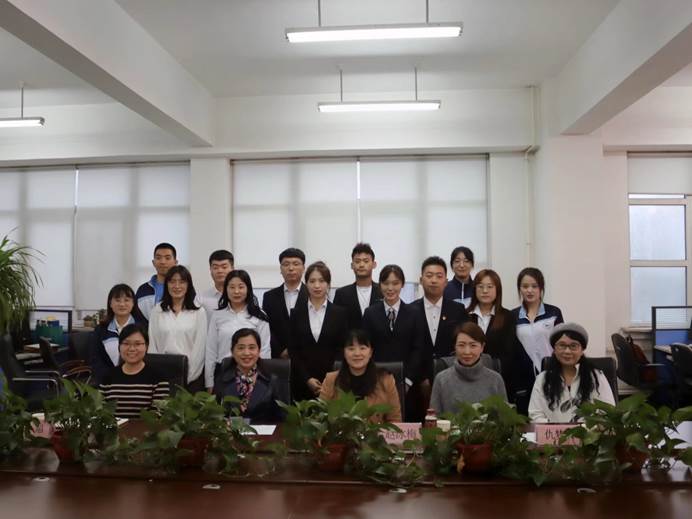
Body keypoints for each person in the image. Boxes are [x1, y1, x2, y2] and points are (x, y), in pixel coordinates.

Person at [362, 264, 425, 420]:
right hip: (377, 381)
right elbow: (366, 347)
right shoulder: (370, 313)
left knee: (405, 425)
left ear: (402, 284)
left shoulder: (414, 313)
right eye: (386, 283)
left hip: (407, 382)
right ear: (380, 285)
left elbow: (418, 349)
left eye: (395, 283)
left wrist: (408, 381)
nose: (390, 288)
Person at [410, 256, 469, 419]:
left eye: (439, 276)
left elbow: (462, 344)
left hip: (452, 380)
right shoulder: (409, 310)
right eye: (429, 276)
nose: (434, 280)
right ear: (421, 280)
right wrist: (420, 377)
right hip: (417, 384)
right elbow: (408, 348)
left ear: (446, 281)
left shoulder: (458, 310)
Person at [529, 323, 615, 423]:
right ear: (554, 349)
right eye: (562, 345)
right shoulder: (542, 379)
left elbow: (608, 411)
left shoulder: (596, 376)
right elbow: (535, 415)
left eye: (573, 346)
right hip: (553, 432)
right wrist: (554, 428)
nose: (567, 351)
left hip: (588, 432)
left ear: (582, 350)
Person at [288, 261, 349, 401]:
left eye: (321, 281)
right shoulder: (296, 313)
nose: (317, 286)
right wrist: (307, 379)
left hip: (333, 382)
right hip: (302, 382)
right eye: (312, 281)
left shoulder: (340, 313)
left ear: (328, 284)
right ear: (306, 284)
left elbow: (342, 348)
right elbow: (293, 350)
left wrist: (330, 379)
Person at [205, 270, 271, 391]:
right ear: (226, 290)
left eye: (241, 287)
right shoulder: (217, 315)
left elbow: (265, 350)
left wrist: (260, 378)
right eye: (232, 287)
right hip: (223, 372)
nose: (236, 291)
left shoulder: (259, 315)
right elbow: (211, 351)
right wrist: (209, 383)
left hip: (252, 372)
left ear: (248, 289)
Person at [510, 267, 564, 414]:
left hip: (552, 373)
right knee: (528, 416)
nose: (530, 290)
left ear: (541, 288)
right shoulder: (513, 316)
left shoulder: (554, 312)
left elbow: (562, 343)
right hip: (524, 377)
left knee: (553, 413)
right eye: (525, 286)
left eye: (534, 286)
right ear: (519, 289)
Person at [320, 329, 402, 423]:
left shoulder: (386, 380)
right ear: (344, 353)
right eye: (351, 349)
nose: (357, 353)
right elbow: (320, 418)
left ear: (370, 352)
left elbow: (395, 421)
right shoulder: (331, 380)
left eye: (362, 348)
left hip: (375, 432)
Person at [148, 265, 207, 392]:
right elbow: (152, 345)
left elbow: (200, 348)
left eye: (182, 282)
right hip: (161, 375)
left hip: (191, 376)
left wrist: (188, 377)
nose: (177, 286)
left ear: (188, 285)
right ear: (166, 284)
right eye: (172, 281)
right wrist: (157, 374)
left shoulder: (199, 312)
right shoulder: (157, 310)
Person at [430, 322, 507, 414]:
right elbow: (433, 418)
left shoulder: (496, 380)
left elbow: (505, 418)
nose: (467, 352)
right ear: (455, 347)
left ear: (482, 347)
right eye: (461, 345)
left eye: (473, 345)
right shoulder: (441, 379)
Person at [213, 328, 284, 424]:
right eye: (241, 348)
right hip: (230, 433)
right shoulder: (221, 380)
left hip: (263, 433)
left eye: (251, 348)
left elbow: (282, 419)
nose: (246, 353)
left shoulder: (272, 381)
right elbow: (213, 416)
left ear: (259, 351)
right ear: (232, 352)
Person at [99, 323, 170, 419]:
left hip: (146, 428)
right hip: (112, 428)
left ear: (146, 346)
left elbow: (157, 416)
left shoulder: (159, 378)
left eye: (137, 344)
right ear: (119, 346)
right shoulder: (108, 376)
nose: (132, 349)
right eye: (126, 343)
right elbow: (100, 412)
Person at [467, 269, 517, 388]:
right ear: (474, 289)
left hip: (497, 379)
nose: (485, 291)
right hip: (467, 377)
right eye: (480, 286)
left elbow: (509, 352)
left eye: (490, 287)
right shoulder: (464, 315)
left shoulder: (508, 317)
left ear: (497, 290)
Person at [89, 284, 146, 385]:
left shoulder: (143, 328)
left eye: (126, 300)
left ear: (133, 303)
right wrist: (110, 377)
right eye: (117, 300)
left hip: (138, 381)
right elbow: (95, 358)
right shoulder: (101, 329)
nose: (122, 304)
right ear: (110, 304)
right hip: (108, 382)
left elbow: (148, 357)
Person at [262, 248, 308, 359]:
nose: (291, 268)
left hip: (307, 355)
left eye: (296, 264)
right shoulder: (269, 297)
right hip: (278, 358)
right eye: (286, 264)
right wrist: (280, 351)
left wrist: (294, 350)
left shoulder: (313, 295)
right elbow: (266, 327)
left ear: (303, 268)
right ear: (280, 269)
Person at [333, 243, 382, 331]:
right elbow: (336, 324)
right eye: (357, 261)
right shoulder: (341, 294)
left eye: (366, 261)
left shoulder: (383, 291)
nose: (361, 265)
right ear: (352, 265)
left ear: (374, 264)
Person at [135, 242, 178, 320]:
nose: (163, 262)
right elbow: (137, 318)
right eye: (158, 258)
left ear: (175, 262)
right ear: (153, 262)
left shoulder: (182, 288)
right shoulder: (143, 290)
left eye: (167, 258)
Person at [199, 249, 234, 319]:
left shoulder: (242, 297)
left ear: (232, 269)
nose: (220, 271)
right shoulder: (201, 298)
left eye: (224, 267)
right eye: (215, 267)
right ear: (210, 270)